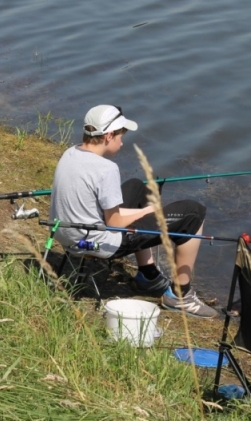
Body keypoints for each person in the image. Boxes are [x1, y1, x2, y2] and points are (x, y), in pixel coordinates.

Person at [49, 105, 218, 319]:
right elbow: (115, 222)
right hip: (98, 242)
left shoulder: (71, 153)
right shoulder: (106, 168)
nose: (122, 142)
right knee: (193, 213)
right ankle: (180, 295)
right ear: (109, 136)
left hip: (68, 234)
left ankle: (148, 276)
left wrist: (142, 211)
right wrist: (148, 211)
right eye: (121, 136)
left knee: (136, 187)